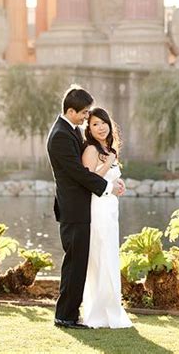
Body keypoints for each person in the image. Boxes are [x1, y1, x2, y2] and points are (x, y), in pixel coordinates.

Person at [46, 85, 125, 329]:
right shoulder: (60, 135)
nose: (86, 117)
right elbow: (78, 173)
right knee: (74, 264)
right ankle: (65, 316)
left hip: (80, 208)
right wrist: (107, 187)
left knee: (78, 262)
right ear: (70, 111)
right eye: (83, 113)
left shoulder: (70, 131)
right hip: (74, 209)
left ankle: (69, 313)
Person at [81, 107, 133, 328]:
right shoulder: (92, 149)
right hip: (98, 208)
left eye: (103, 123)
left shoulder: (107, 148)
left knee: (110, 256)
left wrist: (118, 185)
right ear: (89, 129)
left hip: (110, 208)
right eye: (95, 124)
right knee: (101, 256)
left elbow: (110, 179)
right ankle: (99, 313)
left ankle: (112, 308)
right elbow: (89, 179)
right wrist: (109, 161)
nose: (101, 127)